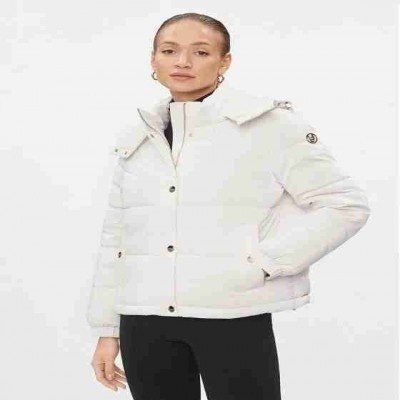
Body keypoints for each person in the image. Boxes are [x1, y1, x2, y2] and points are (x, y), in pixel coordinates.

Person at [86, 12, 371, 400]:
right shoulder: (138, 138)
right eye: (169, 51)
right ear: (153, 60)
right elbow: (116, 238)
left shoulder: (269, 126)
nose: (183, 62)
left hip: (231, 313)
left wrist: (267, 262)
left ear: (224, 62)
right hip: (143, 321)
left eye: (201, 52)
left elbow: (345, 205)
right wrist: (108, 331)